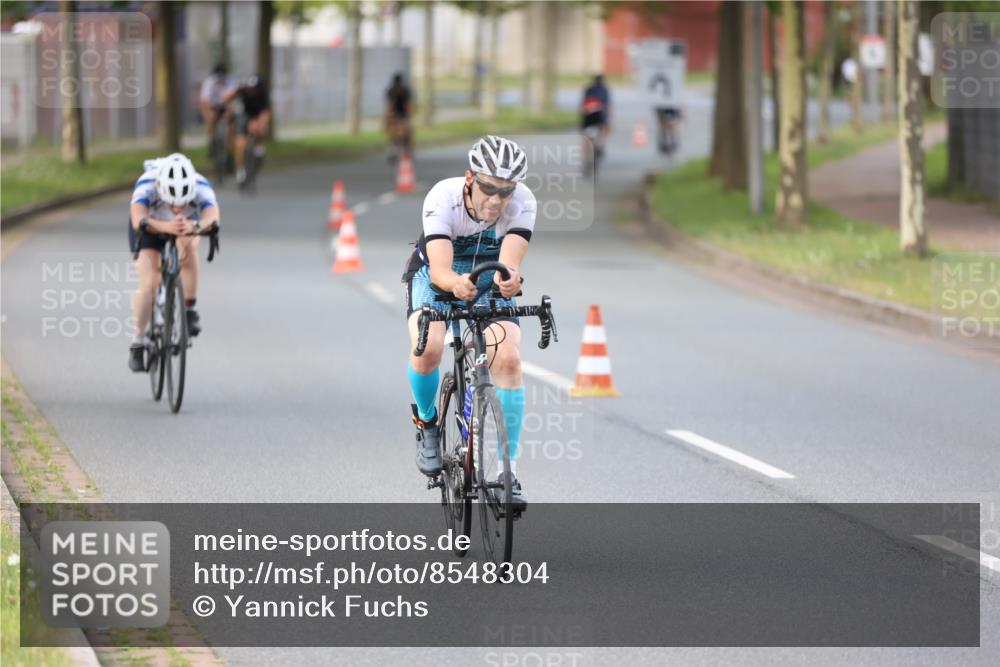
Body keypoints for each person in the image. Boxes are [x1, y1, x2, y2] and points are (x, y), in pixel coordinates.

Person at [401, 135, 535, 509]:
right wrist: (454, 284)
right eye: (488, 188)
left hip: (486, 274)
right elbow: (442, 270)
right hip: (436, 275)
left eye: (505, 192)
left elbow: (510, 263)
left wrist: (510, 280)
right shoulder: (442, 198)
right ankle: (426, 425)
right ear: (470, 179)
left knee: (508, 358)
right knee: (428, 347)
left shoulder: (522, 202)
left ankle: (508, 471)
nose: (495, 200)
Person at [128, 154, 219, 372]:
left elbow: (213, 219)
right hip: (150, 226)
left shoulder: (202, 186)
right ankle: (138, 340)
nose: (177, 209)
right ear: (160, 189)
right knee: (149, 283)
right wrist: (165, 227)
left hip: (184, 227)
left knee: (189, 245)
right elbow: (137, 220)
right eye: (171, 203)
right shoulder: (146, 184)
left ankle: (190, 307)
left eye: (183, 203)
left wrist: (195, 228)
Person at [224, 75, 271, 184]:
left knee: (260, 127)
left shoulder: (263, 96)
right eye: (250, 87)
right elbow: (226, 98)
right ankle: (240, 170)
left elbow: (265, 113)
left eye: (254, 88)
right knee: (240, 144)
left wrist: (262, 124)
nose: (251, 90)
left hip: (256, 116)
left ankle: (258, 148)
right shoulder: (241, 91)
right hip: (243, 116)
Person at [199, 63, 239, 152]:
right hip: (213, 105)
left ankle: (229, 149)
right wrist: (208, 114)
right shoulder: (209, 82)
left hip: (227, 105)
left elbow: (234, 98)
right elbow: (204, 101)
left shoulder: (231, 80)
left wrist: (230, 112)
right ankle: (212, 141)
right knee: (211, 118)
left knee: (231, 124)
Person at [580, 74, 611, 169]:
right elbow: (607, 105)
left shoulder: (588, 89)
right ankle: (600, 146)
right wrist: (608, 121)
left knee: (586, 138)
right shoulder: (604, 90)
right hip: (599, 117)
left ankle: (585, 158)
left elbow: (583, 105)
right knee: (602, 132)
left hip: (588, 116)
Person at [384, 72, 413, 160]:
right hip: (394, 114)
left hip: (403, 113)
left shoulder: (405, 91)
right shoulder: (391, 91)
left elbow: (407, 105)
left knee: (406, 132)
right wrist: (388, 117)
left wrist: (408, 116)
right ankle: (393, 150)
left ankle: (406, 150)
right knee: (393, 133)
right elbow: (389, 105)